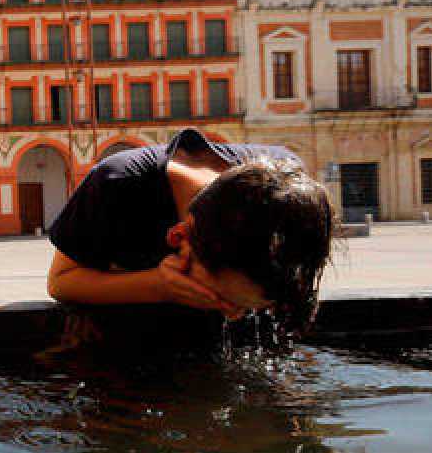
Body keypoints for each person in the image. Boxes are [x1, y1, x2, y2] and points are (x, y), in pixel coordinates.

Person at [46, 128, 335, 333]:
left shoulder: (289, 191)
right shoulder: (118, 183)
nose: (233, 317)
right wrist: (158, 285)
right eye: (220, 298)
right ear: (179, 236)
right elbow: (61, 282)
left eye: (247, 308)